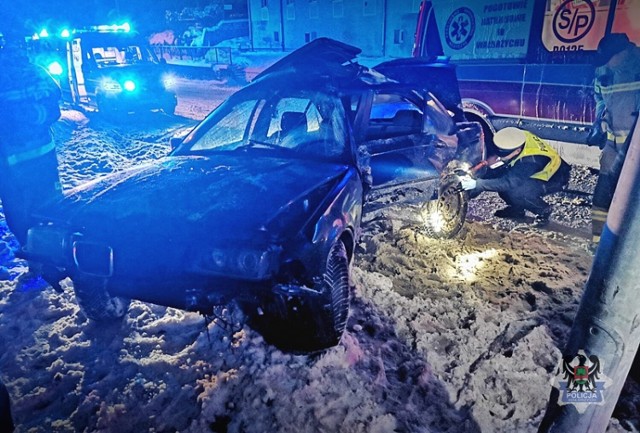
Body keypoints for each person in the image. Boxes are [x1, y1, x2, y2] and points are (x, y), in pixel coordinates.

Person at [0, 31, 63, 247]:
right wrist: (37, 116)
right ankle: (50, 251)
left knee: (18, 210)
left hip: (11, 161)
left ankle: (33, 252)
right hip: (44, 154)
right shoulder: (38, 72)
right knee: (50, 204)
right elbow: (55, 107)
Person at [587, 33, 640, 245]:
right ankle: (597, 242)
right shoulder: (604, 70)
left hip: (636, 148)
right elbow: (599, 96)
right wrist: (600, 117)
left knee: (631, 198)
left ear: (623, 52)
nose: (606, 64)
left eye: (610, 58)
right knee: (603, 192)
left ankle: (627, 251)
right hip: (612, 144)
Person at [459, 127, 571, 224]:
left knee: (515, 191)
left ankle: (542, 210)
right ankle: (517, 210)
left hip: (555, 178)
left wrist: (478, 184)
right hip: (530, 172)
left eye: (504, 155)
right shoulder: (515, 136)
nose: (501, 158)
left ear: (517, 151)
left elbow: (508, 182)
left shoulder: (530, 161)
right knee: (498, 178)